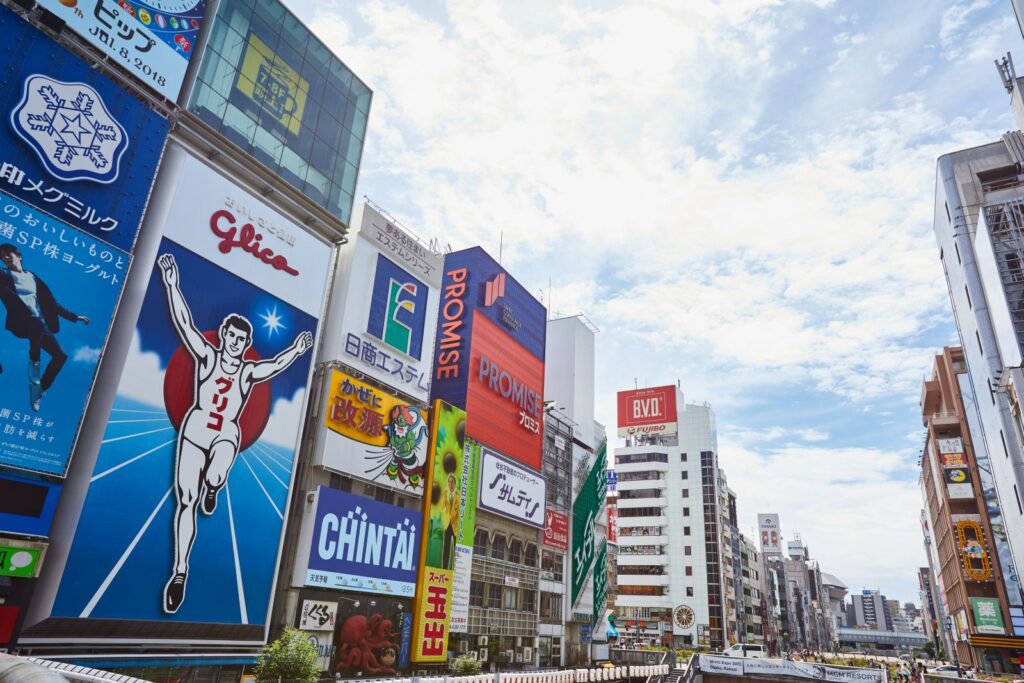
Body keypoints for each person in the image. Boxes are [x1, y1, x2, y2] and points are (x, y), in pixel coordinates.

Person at [157, 254, 312, 613]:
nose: (237, 343)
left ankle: (215, 484)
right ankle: (180, 572)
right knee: (185, 502)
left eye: (243, 339)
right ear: (225, 335)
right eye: (233, 336)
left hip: (226, 432)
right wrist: (171, 283)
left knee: (218, 468)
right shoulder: (207, 358)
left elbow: (274, 365)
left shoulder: (246, 371)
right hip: (195, 430)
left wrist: (297, 350)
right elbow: (184, 323)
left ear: (245, 343)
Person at [0, 243, 89, 411]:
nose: (6, 257)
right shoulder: (2, 275)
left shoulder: (32, 276)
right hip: (20, 322)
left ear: (19, 256)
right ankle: (34, 370)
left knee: (61, 356)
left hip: (39, 325)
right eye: (2, 256)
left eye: (8, 253)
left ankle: (39, 389)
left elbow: (51, 302)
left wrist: (74, 317)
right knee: (35, 322)